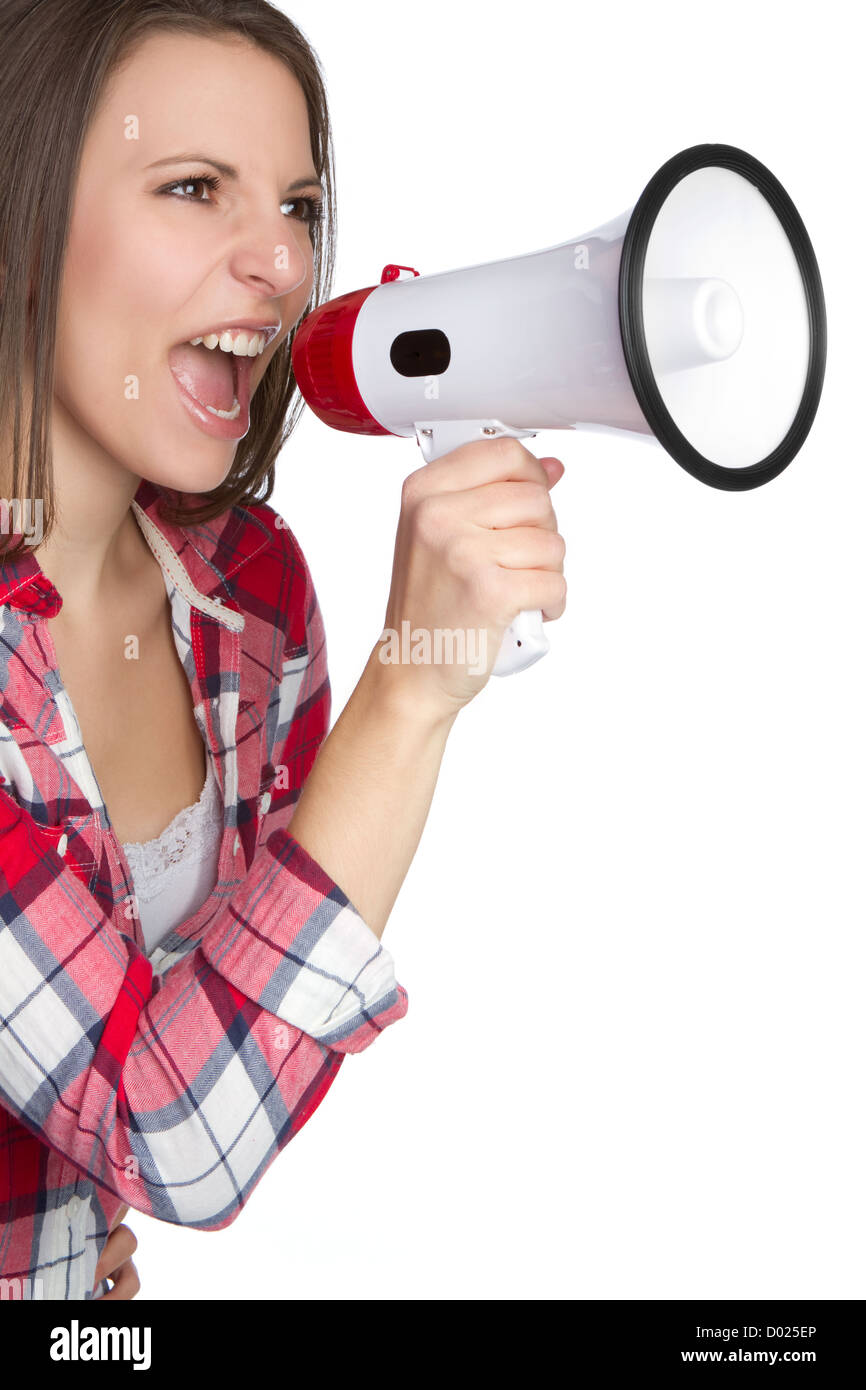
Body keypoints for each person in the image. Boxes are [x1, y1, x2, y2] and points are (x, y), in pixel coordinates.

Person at [0, 0, 566, 1301]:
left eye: (298, 204)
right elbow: (175, 1132)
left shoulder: (249, 589)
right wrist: (410, 690)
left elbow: (182, 1046)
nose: (278, 261)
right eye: (194, 187)